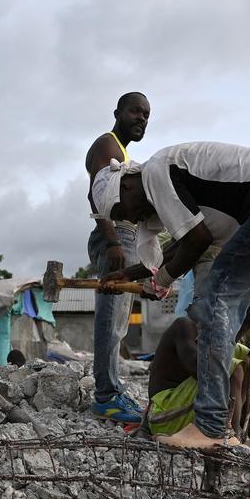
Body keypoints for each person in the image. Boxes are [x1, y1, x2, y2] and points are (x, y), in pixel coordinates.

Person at [92, 142, 250, 455]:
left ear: (125, 184)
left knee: (216, 304)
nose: (135, 218)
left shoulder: (154, 170)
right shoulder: (176, 181)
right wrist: (133, 274)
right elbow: (185, 244)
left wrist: (161, 280)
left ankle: (211, 425)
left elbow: (197, 240)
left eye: (124, 211)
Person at [85, 92, 151, 422]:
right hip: (114, 234)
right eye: (135, 111)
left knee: (119, 322)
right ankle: (106, 397)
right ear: (118, 113)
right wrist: (113, 243)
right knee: (111, 319)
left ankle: (112, 389)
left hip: (124, 234)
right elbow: (96, 195)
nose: (141, 118)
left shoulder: (121, 152)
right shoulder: (108, 145)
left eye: (146, 115)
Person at [145, 306, 250, 440]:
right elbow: (203, 372)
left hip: (187, 412)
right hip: (164, 417)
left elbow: (243, 393)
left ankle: (245, 435)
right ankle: (231, 437)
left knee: (245, 362)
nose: (233, 338)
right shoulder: (184, 327)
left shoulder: (235, 346)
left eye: (240, 333)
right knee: (234, 369)